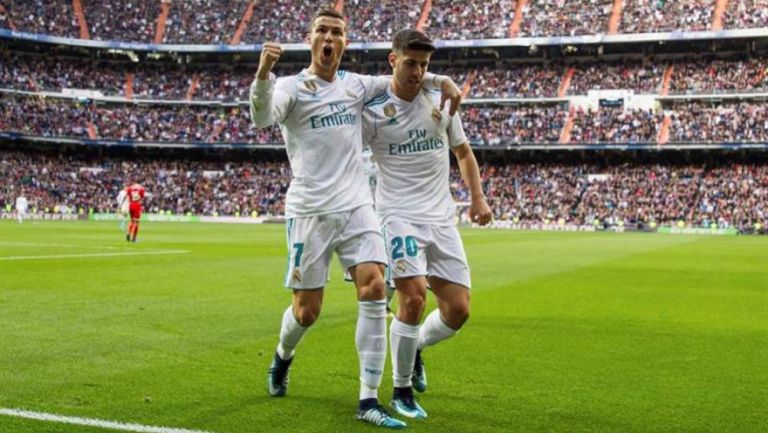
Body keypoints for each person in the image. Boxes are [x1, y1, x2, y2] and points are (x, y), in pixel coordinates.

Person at [249, 8, 461, 430]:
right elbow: (262, 117)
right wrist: (262, 75)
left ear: (345, 42)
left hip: (358, 207)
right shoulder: (291, 87)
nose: (329, 38)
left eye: (337, 33)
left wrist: (441, 81)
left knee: (376, 287)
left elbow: (404, 77)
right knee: (307, 312)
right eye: (322, 31)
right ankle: (282, 356)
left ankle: (368, 399)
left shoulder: (356, 85)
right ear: (311, 39)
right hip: (310, 210)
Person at [361, 29, 492, 420]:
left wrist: (477, 197)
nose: (418, 72)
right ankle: (401, 391)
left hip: (441, 217)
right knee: (414, 298)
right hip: (397, 215)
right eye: (411, 63)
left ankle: (415, 346)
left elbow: (464, 153)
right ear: (392, 60)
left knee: (458, 310)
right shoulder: (373, 110)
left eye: (425, 65)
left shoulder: (440, 100)